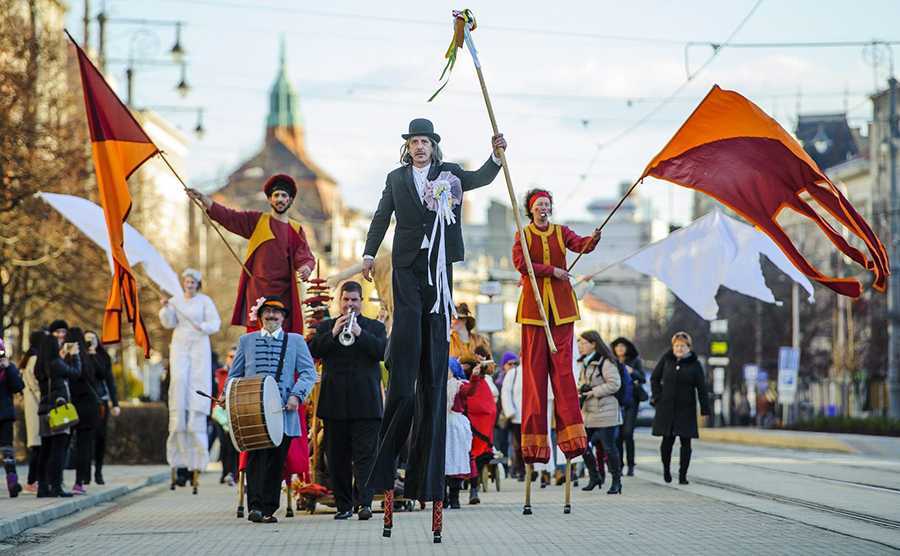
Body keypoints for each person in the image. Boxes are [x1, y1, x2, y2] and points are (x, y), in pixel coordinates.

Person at [362, 117, 506, 520]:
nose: (419, 147)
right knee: (408, 325)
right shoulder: (395, 178)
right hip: (407, 262)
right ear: (407, 147)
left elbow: (481, 178)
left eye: (425, 141)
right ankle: (402, 355)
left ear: (433, 146)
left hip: (438, 264)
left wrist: (495, 156)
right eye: (414, 142)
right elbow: (380, 217)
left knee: (434, 335)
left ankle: (429, 474)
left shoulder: (449, 175)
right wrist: (370, 253)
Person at [512, 189, 601, 473]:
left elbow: (581, 246)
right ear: (531, 209)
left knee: (563, 374)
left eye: (547, 204)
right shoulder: (522, 235)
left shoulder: (562, 232)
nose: (544, 208)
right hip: (534, 311)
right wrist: (552, 271)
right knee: (534, 376)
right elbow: (521, 264)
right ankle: (534, 445)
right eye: (539, 205)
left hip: (561, 311)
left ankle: (573, 439)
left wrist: (594, 239)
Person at [186, 174, 315, 334]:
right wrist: (204, 199)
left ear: (290, 200)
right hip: (258, 291)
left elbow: (305, 256)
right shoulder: (257, 221)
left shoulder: (295, 229)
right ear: (269, 199)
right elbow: (229, 216)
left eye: (284, 195)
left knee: (281, 339)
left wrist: (306, 267)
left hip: (284, 294)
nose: (280, 199)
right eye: (276, 195)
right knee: (256, 337)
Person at [227, 297, 316, 524]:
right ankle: (255, 507)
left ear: (283, 318)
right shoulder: (246, 341)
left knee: (276, 462)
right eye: (267, 312)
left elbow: (309, 373)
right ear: (260, 317)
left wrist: (297, 395)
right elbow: (233, 377)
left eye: (277, 313)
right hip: (252, 413)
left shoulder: (295, 341)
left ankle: (268, 509)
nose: (272, 316)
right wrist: (229, 398)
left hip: (283, 413)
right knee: (256, 459)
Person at [308, 281, 387, 521]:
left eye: (354, 300)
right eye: (346, 300)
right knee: (337, 459)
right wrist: (333, 334)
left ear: (360, 302)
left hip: (366, 404)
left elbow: (382, 352)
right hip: (335, 404)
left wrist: (360, 334)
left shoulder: (374, 327)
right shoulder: (326, 327)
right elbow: (314, 351)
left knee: (366, 458)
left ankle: (364, 503)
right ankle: (343, 505)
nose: (350, 304)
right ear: (339, 301)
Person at [159, 268, 221, 493]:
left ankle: (197, 457)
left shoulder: (205, 301)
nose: (189, 284)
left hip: (199, 345)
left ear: (198, 284)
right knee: (179, 381)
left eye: (193, 281)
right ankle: (178, 457)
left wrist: (203, 327)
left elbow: (215, 323)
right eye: (187, 281)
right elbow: (168, 322)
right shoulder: (176, 301)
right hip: (181, 344)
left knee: (197, 383)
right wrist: (166, 306)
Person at [651, 331, 711, 484]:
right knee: (667, 441)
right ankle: (666, 469)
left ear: (689, 348)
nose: (679, 349)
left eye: (682, 346)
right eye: (676, 346)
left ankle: (683, 475)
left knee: (686, 443)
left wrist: (705, 408)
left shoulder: (695, 364)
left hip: (686, 409)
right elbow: (654, 378)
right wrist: (657, 397)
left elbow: (701, 387)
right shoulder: (666, 359)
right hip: (667, 408)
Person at [36, 330, 81, 497]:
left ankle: (42, 487)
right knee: (58, 450)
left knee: (45, 450)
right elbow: (75, 373)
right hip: (58, 411)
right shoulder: (56, 363)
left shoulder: (40, 365)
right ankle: (56, 486)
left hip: (43, 411)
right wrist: (75, 355)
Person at [577, 331, 623, 495]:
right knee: (581, 446)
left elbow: (615, 384)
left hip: (606, 412)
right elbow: (584, 383)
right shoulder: (584, 363)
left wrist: (593, 391)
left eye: (583, 343)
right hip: (588, 413)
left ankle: (616, 481)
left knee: (609, 449)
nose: (580, 346)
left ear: (593, 344)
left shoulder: (606, 362)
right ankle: (595, 476)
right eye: (579, 343)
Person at [66, 328, 99, 495]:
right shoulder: (86, 357)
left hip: (72, 407)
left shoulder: (69, 357)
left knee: (63, 443)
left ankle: (56, 481)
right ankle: (80, 482)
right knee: (83, 446)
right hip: (88, 407)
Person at [84, 330, 119, 485]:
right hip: (85, 402)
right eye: (87, 340)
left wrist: (115, 403)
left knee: (100, 437)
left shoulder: (103, 357)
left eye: (93, 339)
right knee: (85, 440)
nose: (90, 342)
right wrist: (88, 356)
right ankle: (85, 474)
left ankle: (98, 471)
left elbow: (107, 378)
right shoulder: (80, 356)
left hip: (101, 402)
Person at [610, 337, 646, 476]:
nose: (619, 349)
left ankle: (631, 464)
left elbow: (642, 378)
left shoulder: (635, 361)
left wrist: (632, 371)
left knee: (628, 433)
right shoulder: (611, 361)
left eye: (622, 346)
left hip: (631, 401)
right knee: (617, 435)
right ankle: (619, 465)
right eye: (617, 346)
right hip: (616, 402)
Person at [444, 357, 472, 510]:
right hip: (442, 425)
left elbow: (471, 391)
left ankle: (454, 498)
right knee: (442, 461)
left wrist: (476, 377)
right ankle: (442, 498)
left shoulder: (459, 385)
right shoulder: (437, 385)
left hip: (455, 426)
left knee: (455, 459)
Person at [19, 330, 45, 493]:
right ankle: (31, 480)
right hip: (37, 405)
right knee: (37, 445)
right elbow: (36, 384)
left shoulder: (28, 358)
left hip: (31, 405)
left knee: (35, 444)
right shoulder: (35, 359)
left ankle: (32, 480)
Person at [1, 338, 25, 497]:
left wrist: (8, 368)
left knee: (7, 450)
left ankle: (12, 483)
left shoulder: (8, 368)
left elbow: (18, 387)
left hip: (5, 416)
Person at [213, 346, 237, 486]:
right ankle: (225, 471)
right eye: (230, 356)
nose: (232, 359)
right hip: (220, 413)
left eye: (235, 356)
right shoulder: (219, 373)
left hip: (234, 412)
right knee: (224, 445)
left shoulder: (240, 372)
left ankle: (233, 473)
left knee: (234, 445)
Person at [500, 355, 524, 480]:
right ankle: (521, 469)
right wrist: (510, 411)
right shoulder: (513, 373)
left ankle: (534, 469)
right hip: (517, 416)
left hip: (533, 416)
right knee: (518, 446)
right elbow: (506, 393)